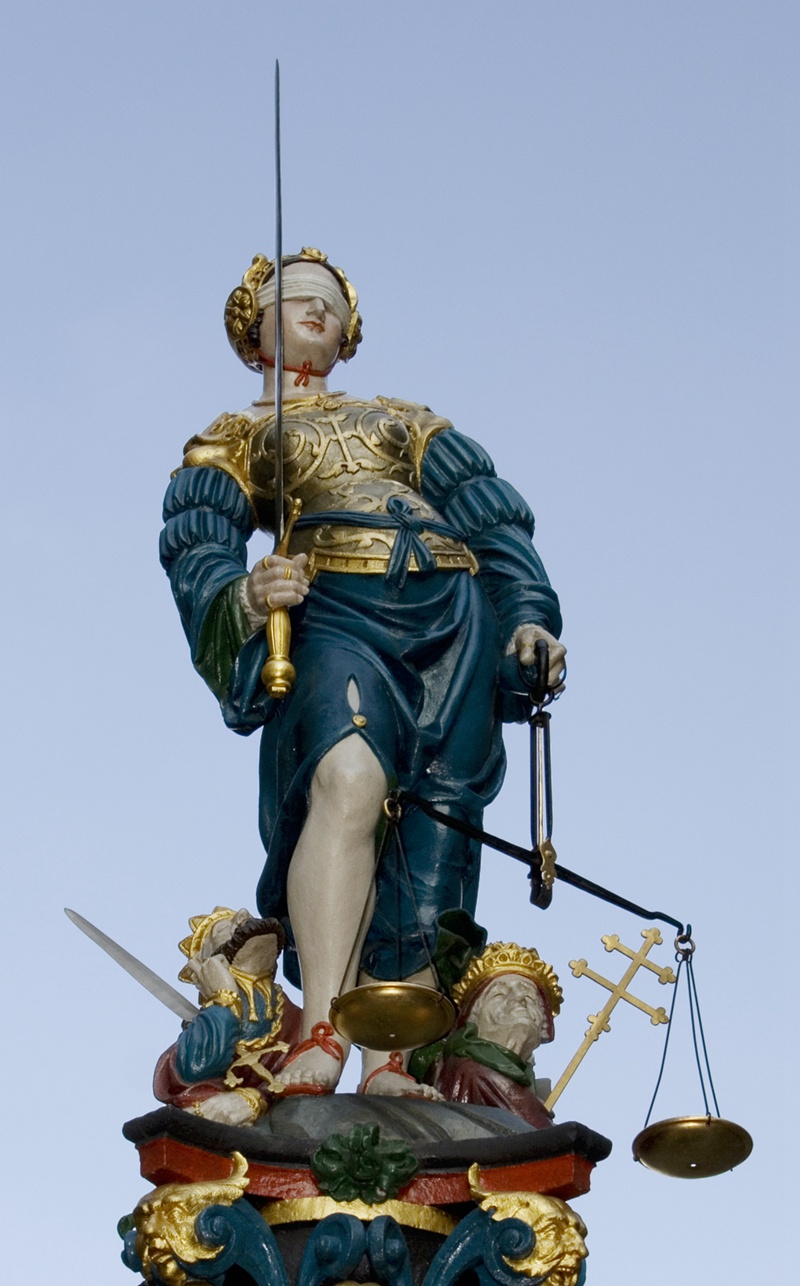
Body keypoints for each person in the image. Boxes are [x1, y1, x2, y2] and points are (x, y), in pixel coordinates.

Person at [160, 248, 565, 1096]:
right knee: (346, 778)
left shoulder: (407, 419)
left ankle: (395, 1051)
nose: (312, 310)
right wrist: (246, 591)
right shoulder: (230, 438)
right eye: (291, 300)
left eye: (328, 303)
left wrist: (527, 613)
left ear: (351, 333)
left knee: (434, 823)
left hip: (453, 612)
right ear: (252, 331)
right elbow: (199, 548)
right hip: (334, 608)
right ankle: (323, 1029)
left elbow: (494, 517)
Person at [410, 941, 563, 1129]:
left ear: (543, 1024)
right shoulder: (473, 1072)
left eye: (530, 996)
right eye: (499, 995)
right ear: (472, 1016)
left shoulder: (520, 1077)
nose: (519, 998)